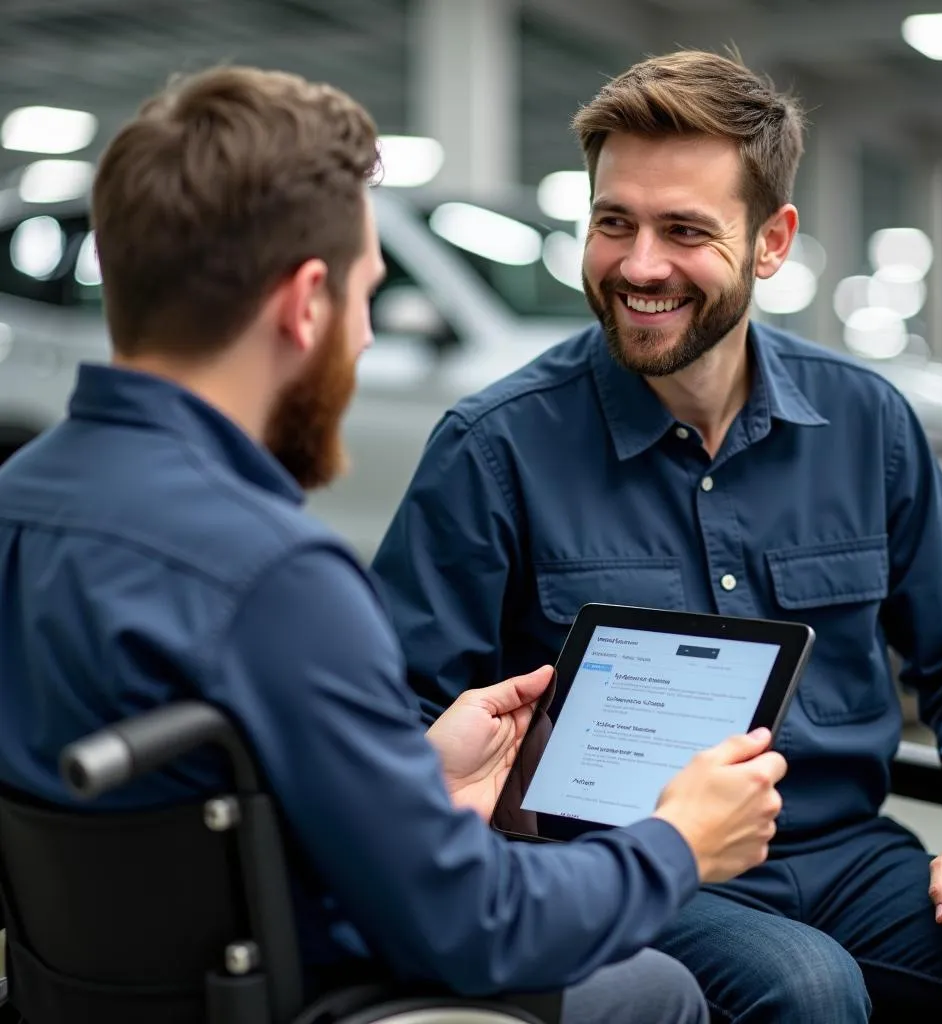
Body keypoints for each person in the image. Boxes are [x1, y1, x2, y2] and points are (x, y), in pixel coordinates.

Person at [0, 66, 795, 1024]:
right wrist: (678, 840)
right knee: (658, 994)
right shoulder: (278, 577)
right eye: (368, 296)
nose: (370, 336)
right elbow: (481, 924)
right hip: (313, 997)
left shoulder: (16, 504)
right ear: (305, 305)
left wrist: (417, 775)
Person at [371, 49, 942, 1023]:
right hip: (626, 870)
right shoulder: (493, 448)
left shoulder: (866, 423)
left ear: (770, 241)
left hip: (846, 856)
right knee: (804, 987)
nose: (639, 265)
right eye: (612, 223)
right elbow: (404, 718)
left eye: (683, 230)